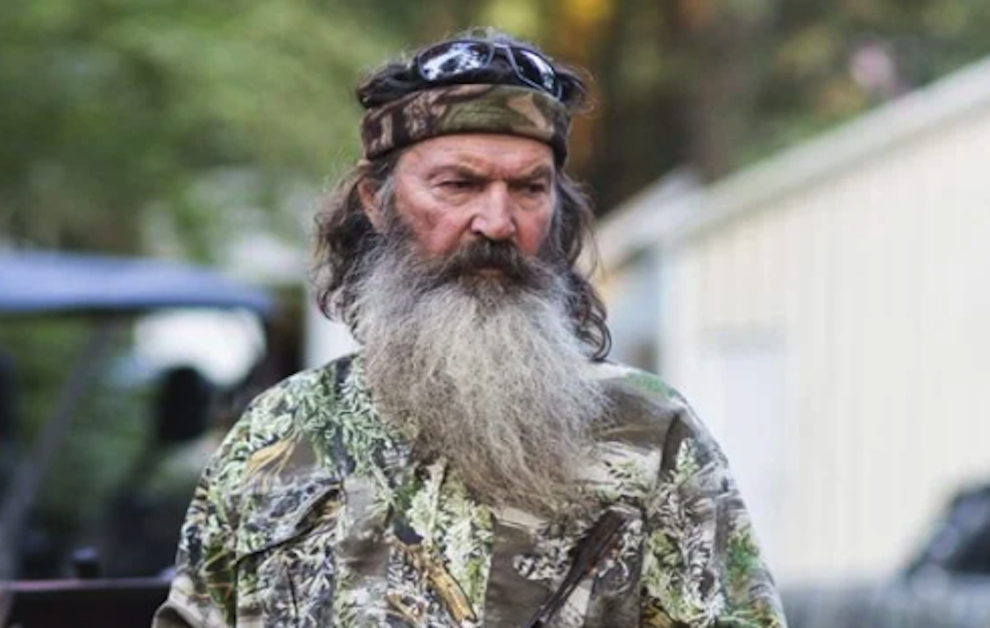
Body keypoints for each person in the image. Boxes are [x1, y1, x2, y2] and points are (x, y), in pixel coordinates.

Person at [154, 30, 786, 628]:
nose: (497, 222)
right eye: (459, 184)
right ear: (377, 203)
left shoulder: (648, 432)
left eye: (529, 188)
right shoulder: (279, 432)